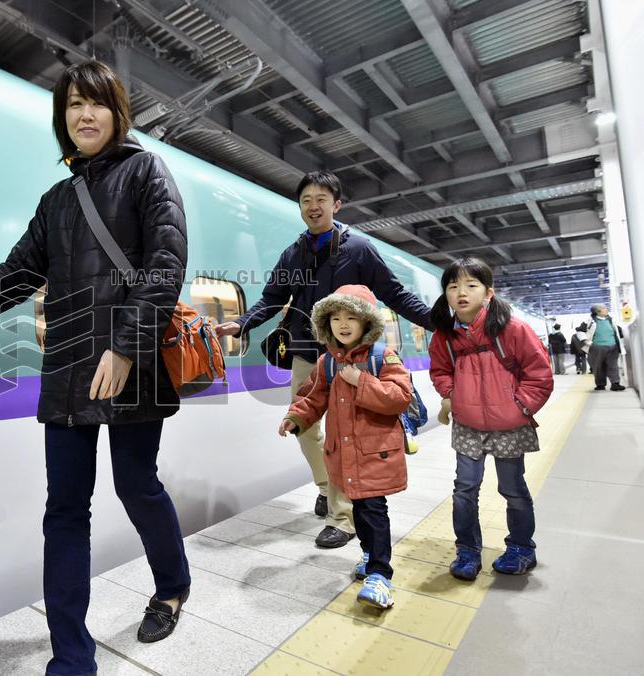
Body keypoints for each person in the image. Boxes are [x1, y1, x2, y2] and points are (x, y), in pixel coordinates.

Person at [0, 61, 190, 675]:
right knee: (65, 509)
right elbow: (17, 273)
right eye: (72, 106)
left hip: (131, 364)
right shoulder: (58, 199)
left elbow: (165, 268)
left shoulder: (146, 172)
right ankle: (72, 657)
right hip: (69, 367)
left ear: (117, 112)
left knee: (135, 485)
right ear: (61, 119)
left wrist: (124, 348)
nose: (84, 115)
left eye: (95, 104)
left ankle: (172, 585)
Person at [214, 170, 432, 549]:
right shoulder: (293, 253)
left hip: (351, 358)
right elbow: (270, 299)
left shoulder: (359, 249)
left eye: (321, 199)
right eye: (305, 201)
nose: (313, 207)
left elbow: (394, 294)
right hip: (305, 352)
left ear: (337, 204)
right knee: (304, 427)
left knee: (343, 431)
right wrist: (242, 322)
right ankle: (327, 485)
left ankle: (343, 517)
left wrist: (435, 321)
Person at [279, 284, 412, 610]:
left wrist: (361, 382)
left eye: (351, 316)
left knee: (374, 511)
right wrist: (296, 418)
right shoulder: (326, 362)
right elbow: (312, 398)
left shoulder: (383, 357)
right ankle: (369, 556)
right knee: (361, 513)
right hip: (345, 455)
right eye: (335, 317)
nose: (343, 323)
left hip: (374, 454)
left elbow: (400, 397)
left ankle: (381, 576)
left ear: (367, 322)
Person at [428, 258, 553, 580]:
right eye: (453, 287)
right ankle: (467, 551)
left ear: (488, 292)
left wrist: (519, 408)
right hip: (468, 425)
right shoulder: (444, 336)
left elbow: (539, 374)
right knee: (464, 490)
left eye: (471, 285)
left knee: (513, 490)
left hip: (509, 425)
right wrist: (452, 394)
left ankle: (522, 549)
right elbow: (440, 371)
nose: (461, 292)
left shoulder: (512, 329)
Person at [586, 304, 626, 391]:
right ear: (597, 312)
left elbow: (617, 331)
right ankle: (600, 384)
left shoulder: (610, 319)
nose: (606, 309)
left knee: (613, 366)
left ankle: (615, 384)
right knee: (598, 366)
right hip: (597, 347)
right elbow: (580, 332)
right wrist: (588, 343)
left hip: (613, 346)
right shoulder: (590, 321)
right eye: (603, 308)